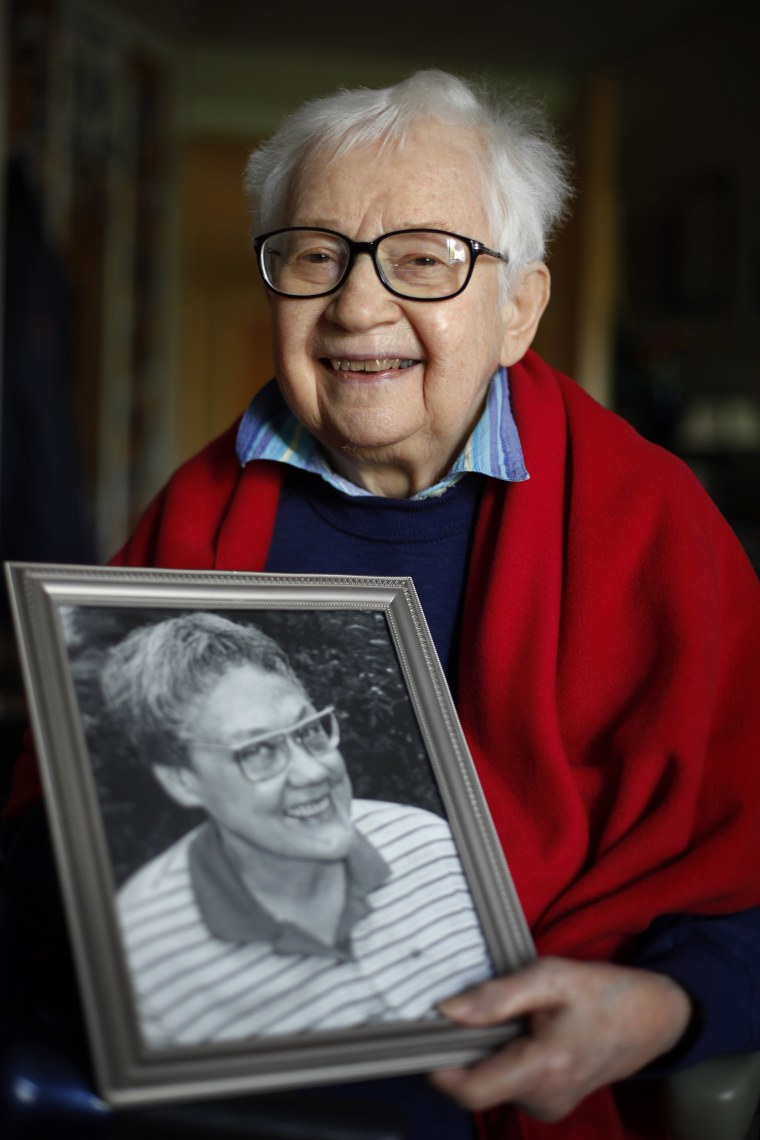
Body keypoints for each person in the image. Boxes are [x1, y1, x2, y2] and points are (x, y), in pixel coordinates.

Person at [3, 68, 760, 1139]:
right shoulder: (202, 508)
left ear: (517, 310)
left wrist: (669, 1005)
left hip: (502, 1086)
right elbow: (65, 814)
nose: (357, 306)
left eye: (423, 260)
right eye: (317, 256)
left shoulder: (655, 524)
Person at [99, 611, 492, 1047]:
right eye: (259, 750)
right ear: (183, 780)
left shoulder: (433, 846)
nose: (311, 771)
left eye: (307, 730)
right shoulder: (142, 955)